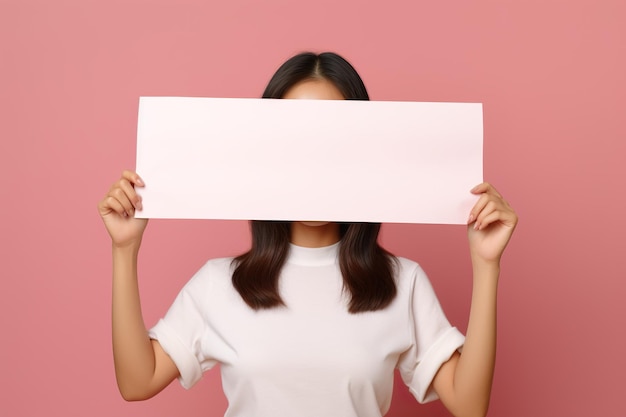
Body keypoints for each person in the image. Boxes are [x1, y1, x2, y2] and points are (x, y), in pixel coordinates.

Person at [98, 52, 518, 417]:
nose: (314, 157)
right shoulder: (218, 282)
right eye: (295, 137)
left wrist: (486, 265)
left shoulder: (401, 282)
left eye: (332, 138)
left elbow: (469, 403)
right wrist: (124, 249)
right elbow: (138, 382)